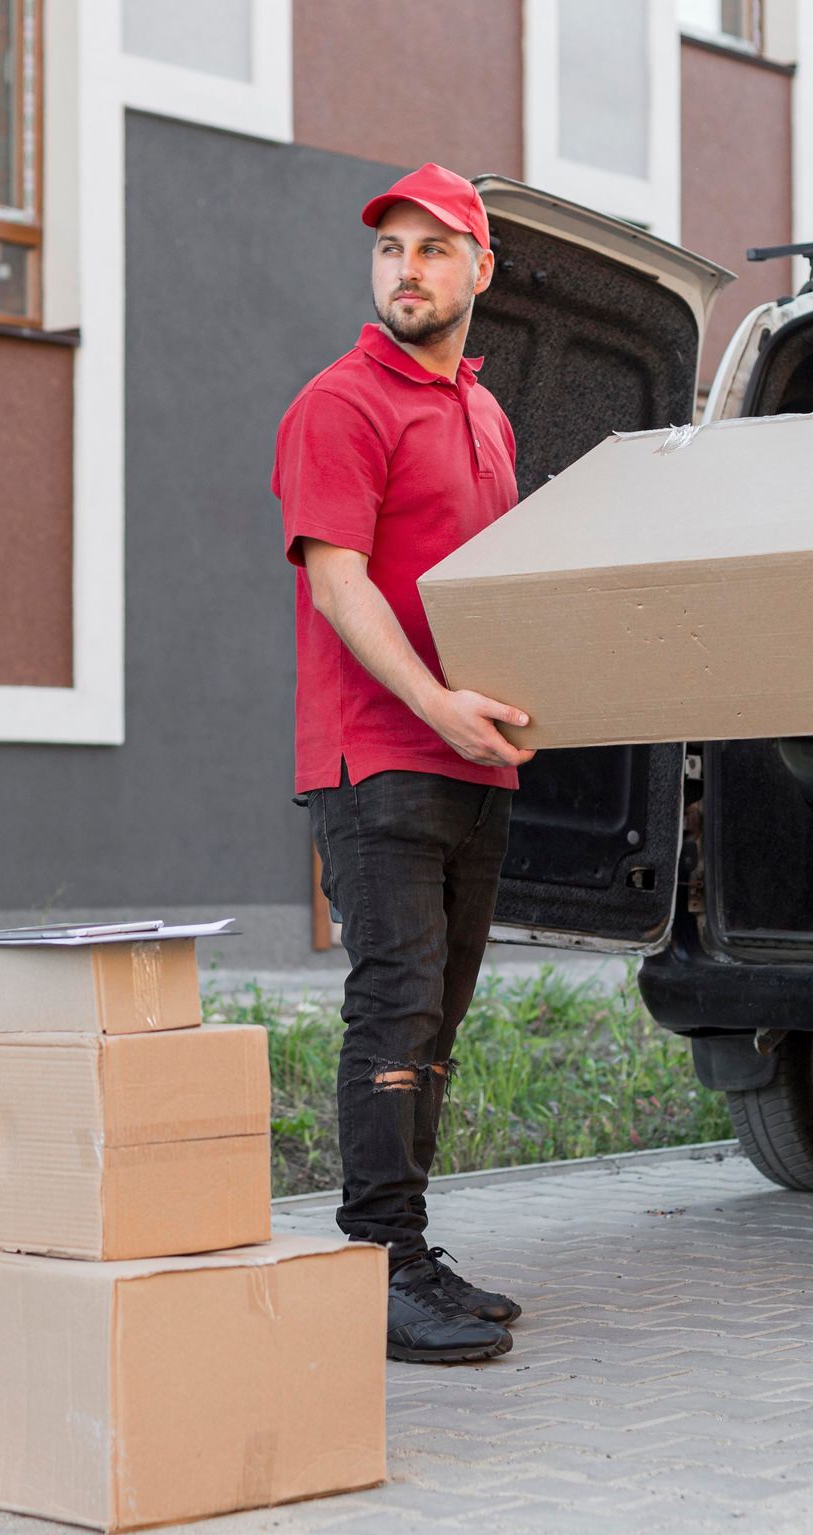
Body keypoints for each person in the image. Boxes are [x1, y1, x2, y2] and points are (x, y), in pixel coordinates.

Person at [273, 163, 535, 1365]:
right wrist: (433, 702)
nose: (408, 271)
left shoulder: (486, 414)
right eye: (391, 251)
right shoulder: (341, 403)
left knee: (437, 1021)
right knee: (392, 1008)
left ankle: (410, 1250)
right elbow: (339, 583)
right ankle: (378, 1264)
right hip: (377, 757)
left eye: (434, 250)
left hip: (476, 760)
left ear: (481, 270)